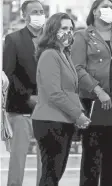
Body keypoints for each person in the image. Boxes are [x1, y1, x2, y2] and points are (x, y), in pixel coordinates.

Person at [71, 0, 112, 185]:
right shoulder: (82, 36)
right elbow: (78, 68)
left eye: (111, 7)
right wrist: (99, 91)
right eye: (104, 7)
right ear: (95, 12)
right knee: (92, 155)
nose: (109, 10)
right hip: (92, 100)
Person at [32, 12, 91, 186]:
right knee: (51, 174)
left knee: (55, 174)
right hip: (50, 121)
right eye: (64, 28)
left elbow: (71, 91)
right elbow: (54, 93)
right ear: (53, 30)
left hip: (62, 120)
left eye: (71, 29)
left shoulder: (63, 54)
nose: (69, 32)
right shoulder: (50, 54)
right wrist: (77, 115)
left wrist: (78, 114)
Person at [3, 1, 45, 185]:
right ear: (24, 15)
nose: (39, 15)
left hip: (47, 107)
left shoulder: (51, 40)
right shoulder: (13, 39)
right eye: (34, 11)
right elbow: (8, 73)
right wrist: (28, 96)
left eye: (41, 11)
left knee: (45, 158)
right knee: (18, 158)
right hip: (21, 108)